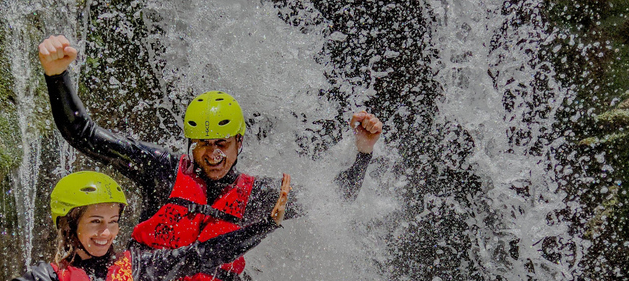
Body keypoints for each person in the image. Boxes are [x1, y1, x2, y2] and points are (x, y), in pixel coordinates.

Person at [38, 34, 383, 281]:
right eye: (202, 144)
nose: (212, 154)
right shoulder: (162, 170)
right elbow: (85, 136)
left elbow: (338, 198)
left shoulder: (261, 195)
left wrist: (363, 152)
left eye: (221, 143)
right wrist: (57, 76)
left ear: (239, 142)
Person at [0, 171, 291, 281]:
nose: (106, 233)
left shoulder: (135, 267)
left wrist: (265, 227)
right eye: (95, 222)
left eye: (114, 223)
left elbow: (202, 256)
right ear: (69, 226)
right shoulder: (46, 278)